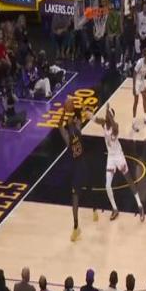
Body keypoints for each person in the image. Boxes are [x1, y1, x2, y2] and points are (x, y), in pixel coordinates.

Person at [94, 104, 145, 221]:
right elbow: (96, 120)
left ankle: (140, 205)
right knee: (107, 185)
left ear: (111, 117)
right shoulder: (104, 124)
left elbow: (113, 125)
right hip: (111, 158)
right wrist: (90, 116)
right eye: (106, 115)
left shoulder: (115, 126)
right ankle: (115, 209)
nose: (106, 116)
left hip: (119, 156)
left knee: (129, 180)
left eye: (108, 115)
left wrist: (109, 113)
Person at [58, 98, 98, 242]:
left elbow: (64, 124)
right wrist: (66, 111)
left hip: (79, 166)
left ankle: (81, 222)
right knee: (83, 191)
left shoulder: (72, 132)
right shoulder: (74, 132)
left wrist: (68, 110)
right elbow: (61, 125)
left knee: (81, 193)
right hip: (80, 165)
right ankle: (85, 219)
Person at [132, 49, 146, 132]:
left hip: (142, 81)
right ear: (145, 56)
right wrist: (133, 87)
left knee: (145, 98)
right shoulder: (140, 62)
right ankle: (133, 123)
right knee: (136, 102)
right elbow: (134, 74)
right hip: (137, 81)